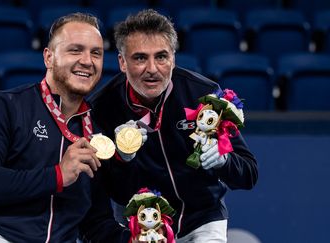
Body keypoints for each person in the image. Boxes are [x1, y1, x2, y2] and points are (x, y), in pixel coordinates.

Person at [0, 12, 129, 243]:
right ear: (48, 58)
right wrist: (57, 176)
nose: (87, 60)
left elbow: (95, 223)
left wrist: (136, 238)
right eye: (75, 50)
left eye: (96, 53)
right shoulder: (4, 106)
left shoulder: (97, 133)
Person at [90, 9, 258, 243]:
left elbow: (249, 174)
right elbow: (113, 193)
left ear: (173, 58)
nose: (152, 68)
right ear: (122, 62)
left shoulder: (203, 95)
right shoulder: (102, 108)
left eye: (161, 56)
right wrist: (122, 159)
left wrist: (224, 161)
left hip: (203, 221)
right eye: (140, 58)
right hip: (142, 228)